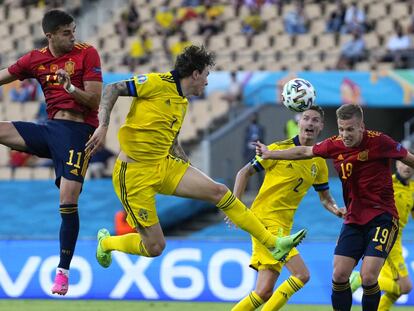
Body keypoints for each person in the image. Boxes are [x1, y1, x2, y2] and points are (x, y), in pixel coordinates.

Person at [85, 45, 306, 270]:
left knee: (219, 191)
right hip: (134, 174)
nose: (207, 82)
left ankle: (273, 243)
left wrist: (187, 164)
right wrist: (102, 126)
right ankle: (107, 242)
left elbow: (171, 142)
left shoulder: (181, 102)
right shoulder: (156, 83)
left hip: (163, 164)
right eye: (206, 75)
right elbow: (112, 88)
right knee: (154, 247)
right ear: (196, 73)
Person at [255, 104, 414, 311]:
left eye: (350, 129)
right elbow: (304, 151)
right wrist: (270, 154)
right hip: (354, 219)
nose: (345, 135)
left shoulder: (380, 142)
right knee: (339, 275)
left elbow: (409, 159)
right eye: (341, 129)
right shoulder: (334, 145)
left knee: (368, 276)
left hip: (382, 217)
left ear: (361, 127)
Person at [0, 10, 102, 295]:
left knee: (68, 200)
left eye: (74, 30)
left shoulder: (87, 54)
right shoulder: (36, 59)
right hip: (50, 130)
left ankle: (63, 272)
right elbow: (5, 75)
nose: (73, 37)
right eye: (67, 33)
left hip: (78, 134)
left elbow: (94, 100)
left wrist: (70, 88)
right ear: (51, 36)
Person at [231, 105, 345, 311]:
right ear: (298, 122)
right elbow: (243, 172)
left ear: (320, 127)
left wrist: (337, 209)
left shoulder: (318, 162)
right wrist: (235, 207)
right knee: (302, 275)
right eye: (306, 118)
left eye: (315, 120)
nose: (310, 123)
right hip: (264, 222)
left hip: (283, 226)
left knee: (264, 291)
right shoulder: (276, 150)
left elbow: (325, 198)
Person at [350, 160, 414, 310]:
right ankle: (359, 279)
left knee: (397, 290)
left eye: (411, 164)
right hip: (385, 237)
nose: (407, 167)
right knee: (405, 287)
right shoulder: (387, 183)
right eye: (404, 163)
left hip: (397, 240)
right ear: (397, 164)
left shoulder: (413, 189)